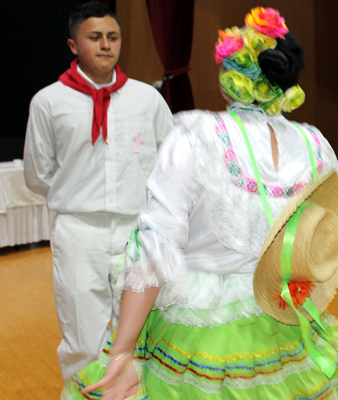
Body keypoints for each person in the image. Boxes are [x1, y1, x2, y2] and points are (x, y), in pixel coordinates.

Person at [60, 7, 338, 399]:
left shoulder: (196, 134)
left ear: (231, 76)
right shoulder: (314, 143)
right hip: (281, 311)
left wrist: (122, 350)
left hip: (202, 322)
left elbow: (155, 245)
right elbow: (324, 229)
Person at [23, 1, 172, 382]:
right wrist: (77, 194)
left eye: (113, 37)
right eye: (95, 37)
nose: (106, 45)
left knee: (139, 334)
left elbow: (168, 164)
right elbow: (38, 173)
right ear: (74, 45)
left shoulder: (147, 99)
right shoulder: (48, 101)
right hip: (78, 231)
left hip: (137, 231)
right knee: (82, 336)